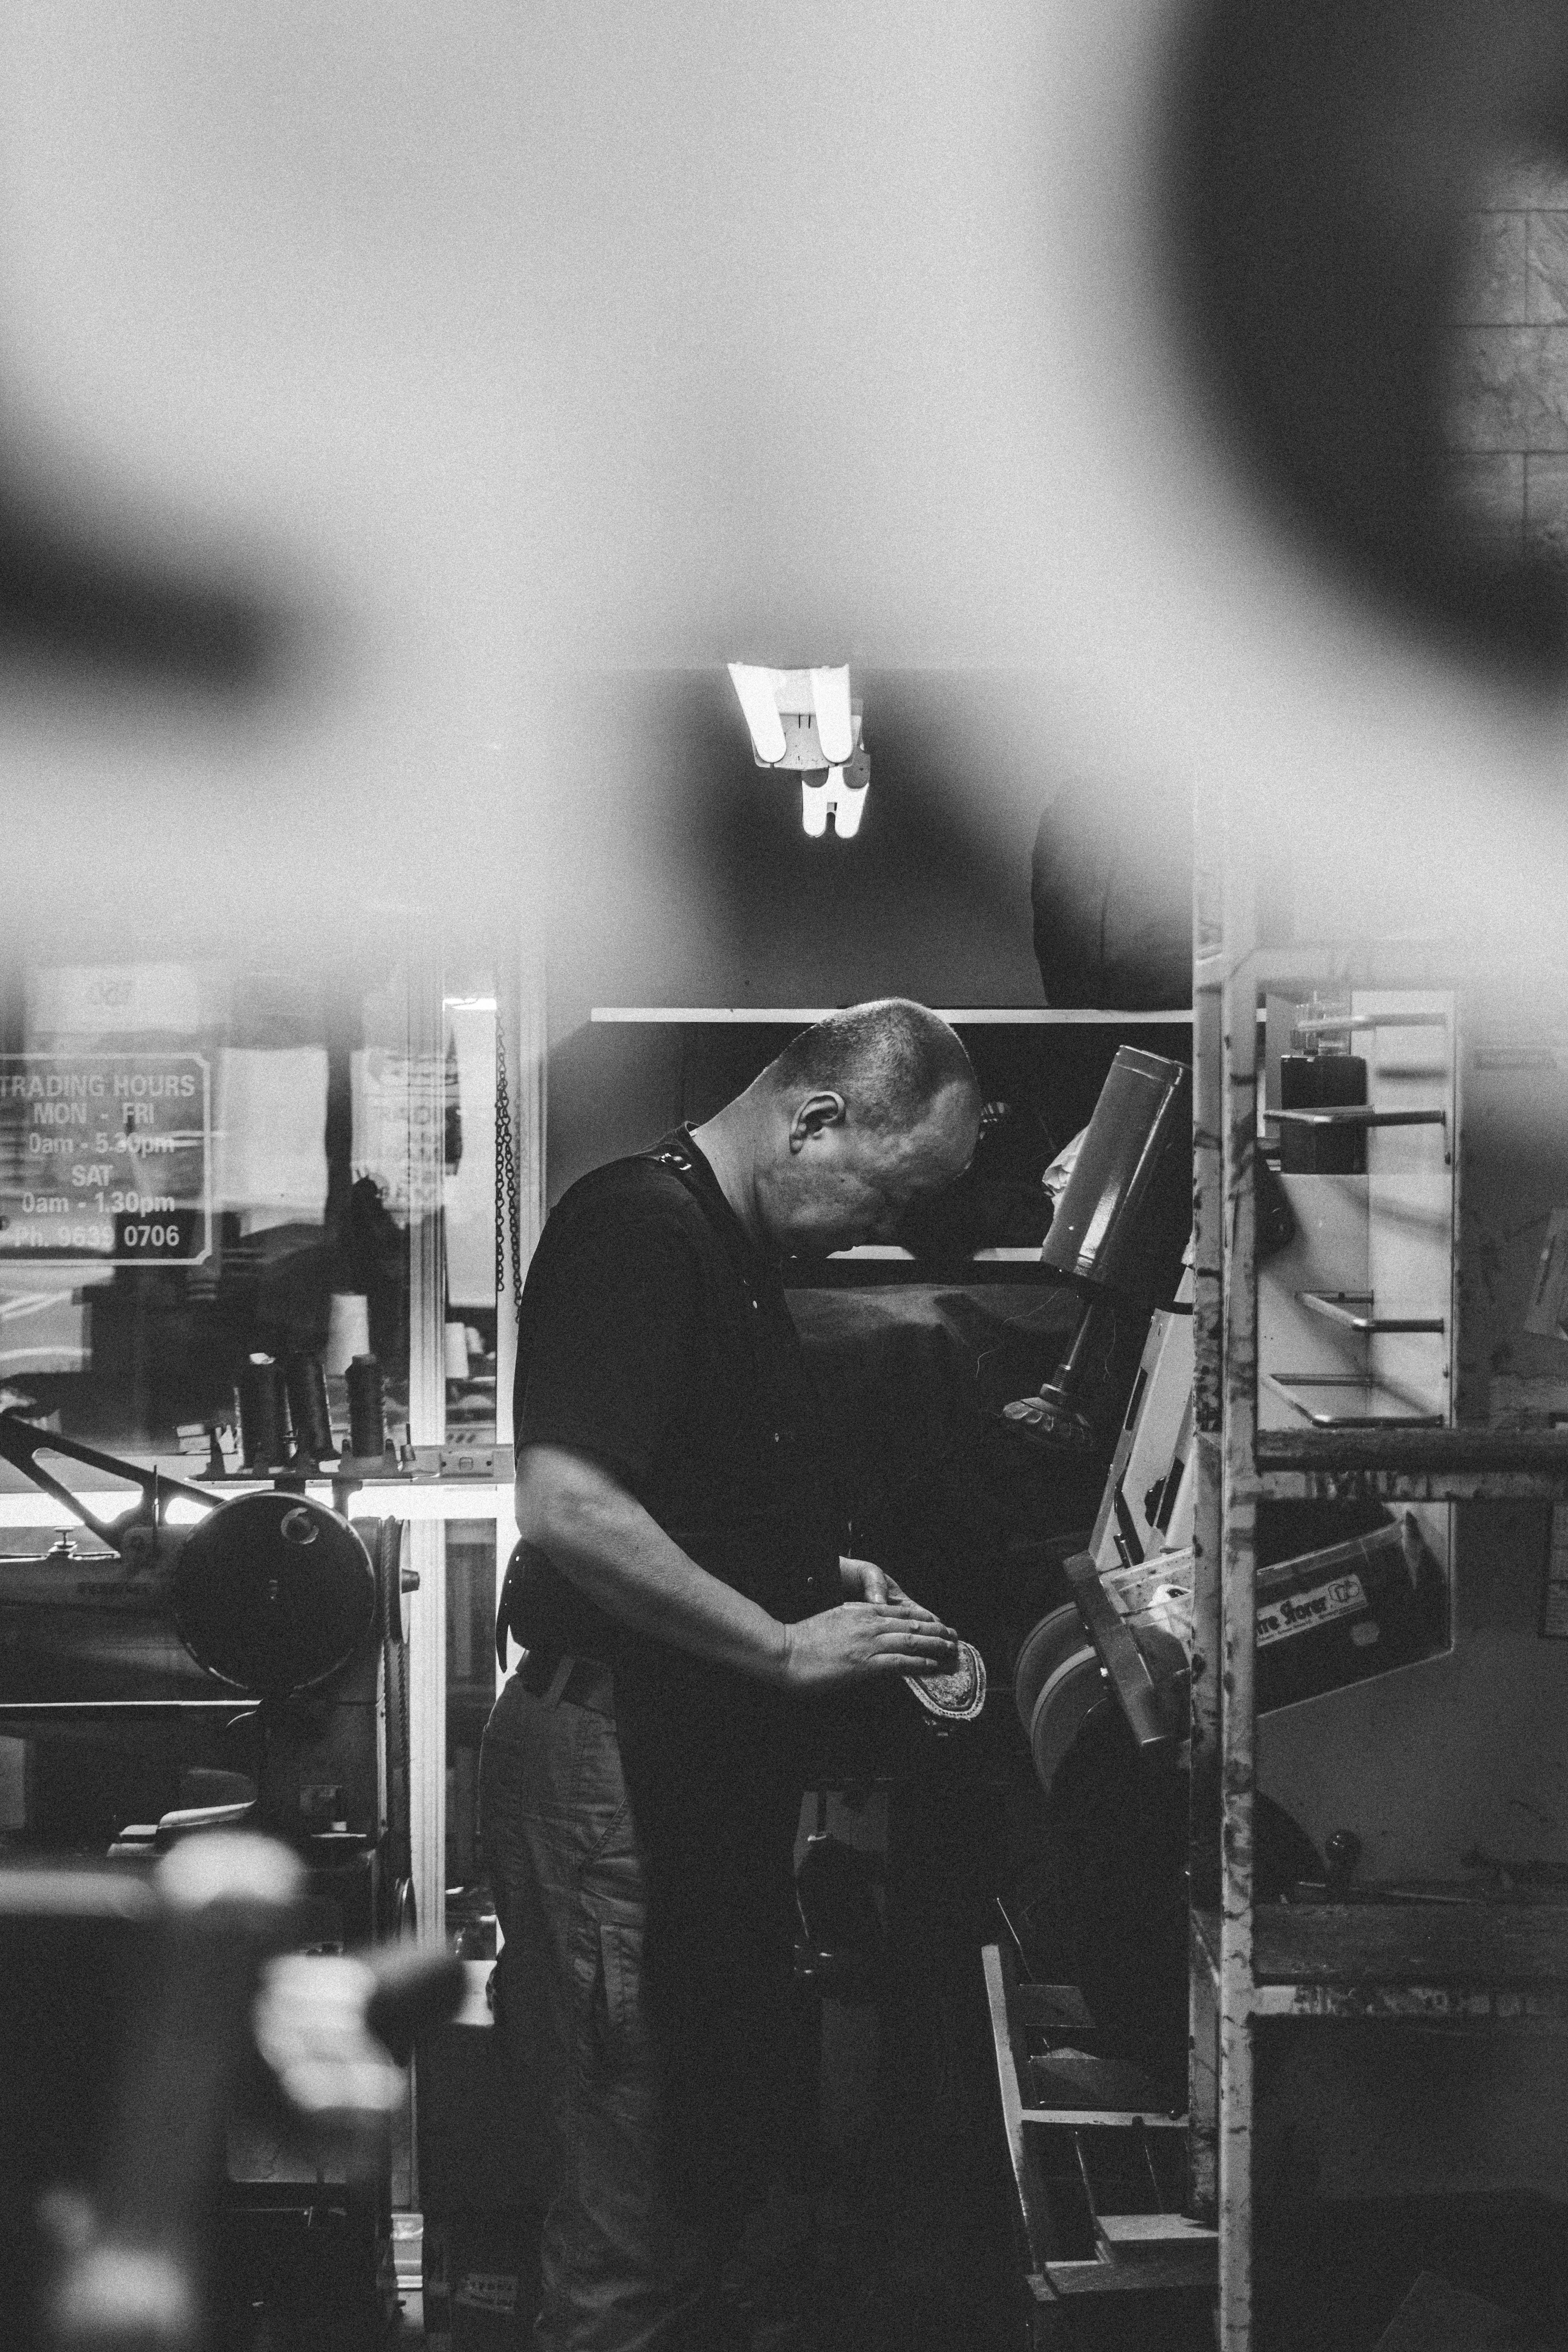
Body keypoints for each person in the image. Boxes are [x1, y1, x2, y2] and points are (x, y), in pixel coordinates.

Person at [478, 998, 982, 2352]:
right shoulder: (639, 1227)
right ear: (816, 1119)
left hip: (675, 1769)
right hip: (608, 1770)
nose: (877, 1230)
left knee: (695, 2171)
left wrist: (826, 1583)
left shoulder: (734, 1248)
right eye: (885, 1191)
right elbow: (573, 1509)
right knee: (630, 2215)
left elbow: (696, 1497)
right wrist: (779, 1644)